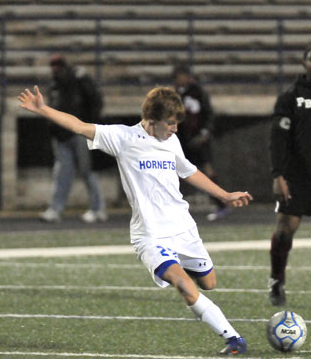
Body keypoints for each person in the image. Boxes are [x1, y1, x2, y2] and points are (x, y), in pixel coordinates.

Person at [19, 85, 252, 355]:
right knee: (184, 285)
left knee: (208, 283)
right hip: (150, 235)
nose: (175, 129)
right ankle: (234, 339)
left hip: (184, 228)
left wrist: (224, 195)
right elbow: (80, 126)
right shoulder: (123, 137)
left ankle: (186, 280)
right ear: (152, 120)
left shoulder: (171, 141)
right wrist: (42, 109)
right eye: (170, 124)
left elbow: (189, 172)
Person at [268, 45, 311, 308]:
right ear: (304, 65)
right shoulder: (290, 98)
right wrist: (278, 174)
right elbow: (278, 140)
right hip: (296, 176)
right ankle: (276, 280)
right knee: (285, 230)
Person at [40, 55, 106, 223]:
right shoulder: (54, 85)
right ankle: (55, 209)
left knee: (87, 171)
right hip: (61, 135)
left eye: (58, 65)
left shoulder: (79, 78)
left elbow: (95, 101)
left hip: (80, 132)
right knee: (62, 173)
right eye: (53, 66)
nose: (55, 69)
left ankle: (97, 209)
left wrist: (90, 126)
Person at [172, 64, 230, 221]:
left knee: (206, 170)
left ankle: (221, 203)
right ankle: (172, 206)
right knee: (175, 171)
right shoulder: (176, 94)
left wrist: (205, 132)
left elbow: (208, 113)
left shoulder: (198, 92)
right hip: (182, 139)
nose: (177, 81)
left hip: (198, 138)